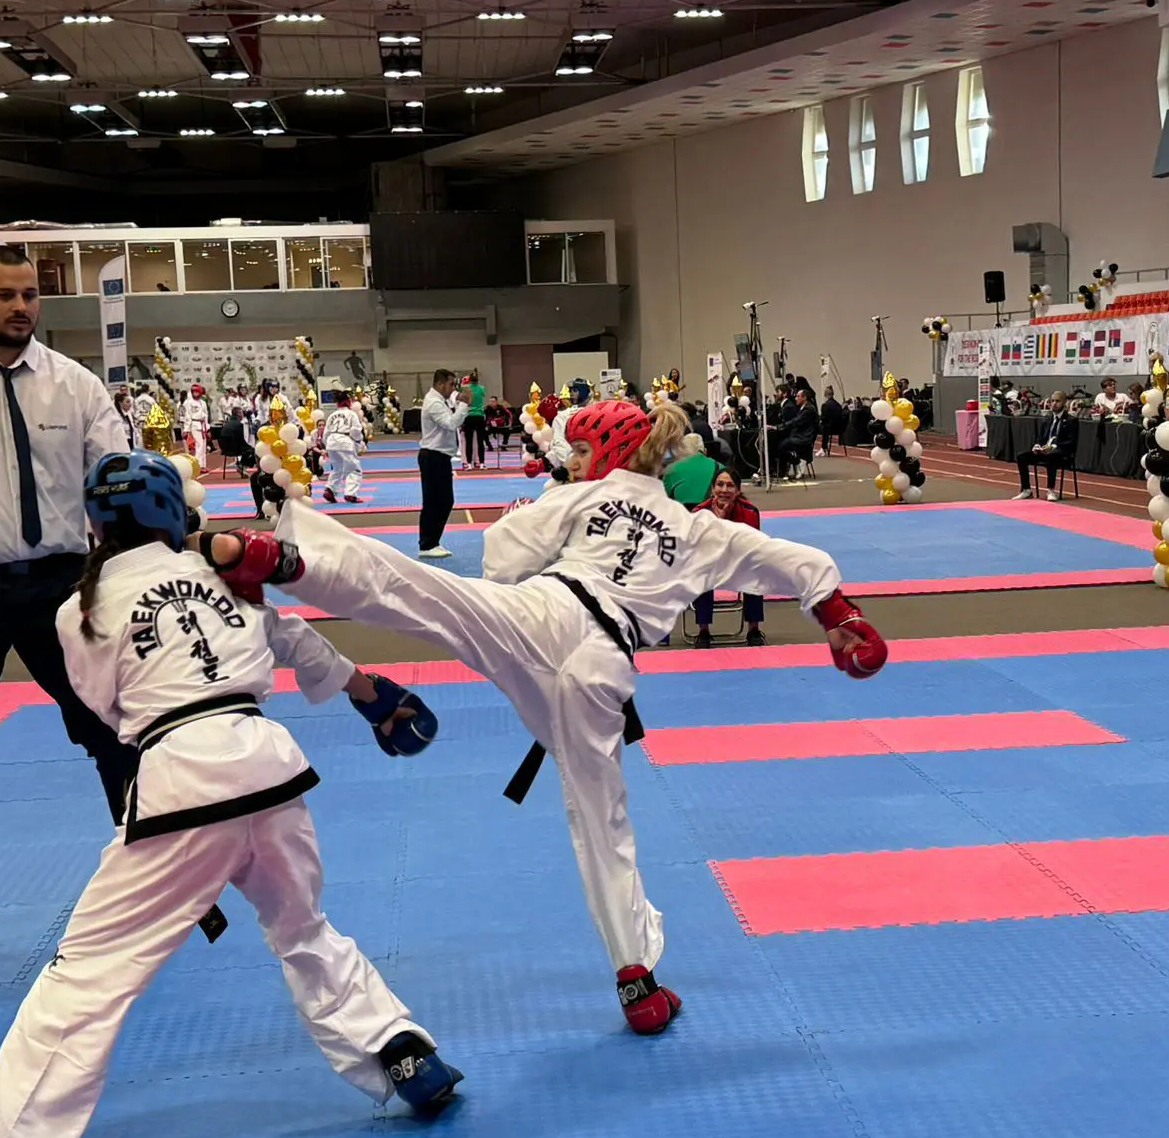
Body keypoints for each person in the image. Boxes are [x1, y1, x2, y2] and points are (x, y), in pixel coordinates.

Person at [0, 452, 462, 1138]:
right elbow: (294, 639)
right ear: (175, 513)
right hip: (272, 772)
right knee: (302, 929)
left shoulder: (79, 610)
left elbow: (106, 711)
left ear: (96, 527)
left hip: (182, 784)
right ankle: (402, 1051)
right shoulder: (222, 571)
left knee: (90, 967)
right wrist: (371, 695)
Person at [263, 400, 889, 1034]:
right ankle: (636, 977)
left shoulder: (586, 496)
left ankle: (292, 557)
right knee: (601, 820)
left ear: (613, 452)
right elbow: (778, 557)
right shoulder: (698, 529)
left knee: (433, 598)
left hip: (546, 614)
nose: (576, 462)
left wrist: (525, 529)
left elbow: (502, 557)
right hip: (603, 665)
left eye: (584, 451)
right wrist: (838, 615)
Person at [0, 244, 216, 970]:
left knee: (114, 732)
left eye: (29, 294)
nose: (20, 306)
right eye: (5, 294)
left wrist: (139, 561)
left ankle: (155, 887)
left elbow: (119, 483)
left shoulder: (75, 385)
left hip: (63, 584)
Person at [691, 469, 767, 648]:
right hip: (709, 564)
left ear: (738, 491)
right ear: (713, 488)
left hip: (739, 563)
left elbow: (752, 548)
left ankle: (754, 630)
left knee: (756, 571)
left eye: (730, 486)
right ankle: (703, 631)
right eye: (720, 485)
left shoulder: (750, 512)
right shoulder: (699, 513)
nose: (724, 490)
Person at [417, 367, 464, 559]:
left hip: (439, 456)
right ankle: (427, 544)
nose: (453, 388)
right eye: (451, 384)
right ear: (440, 384)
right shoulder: (434, 403)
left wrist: (459, 399)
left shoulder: (440, 400)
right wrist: (464, 405)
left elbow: (453, 405)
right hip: (433, 456)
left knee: (443, 501)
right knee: (435, 501)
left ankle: (432, 542)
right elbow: (451, 424)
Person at [1013, 402, 1074, 500]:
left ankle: (1051, 490)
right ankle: (1026, 490)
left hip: (1061, 453)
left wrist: (1053, 446)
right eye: (1052, 401)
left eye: (1057, 401)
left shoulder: (1071, 420)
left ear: (1063, 403)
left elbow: (1071, 441)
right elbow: (1040, 438)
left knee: (1052, 456)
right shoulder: (1047, 419)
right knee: (1021, 457)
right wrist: (1037, 445)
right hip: (1044, 451)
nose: (1054, 404)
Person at [319, 382, 367, 504]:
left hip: (331, 442)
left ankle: (330, 489)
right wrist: (358, 442)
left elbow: (326, 433)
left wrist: (327, 445)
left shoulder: (332, 415)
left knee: (337, 468)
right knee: (354, 469)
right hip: (345, 441)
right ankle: (350, 493)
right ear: (348, 402)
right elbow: (356, 430)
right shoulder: (351, 414)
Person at [459, 367, 489, 470]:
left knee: (469, 441)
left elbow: (459, 388)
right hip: (480, 416)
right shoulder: (482, 388)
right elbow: (483, 394)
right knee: (480, 441)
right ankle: (482, 463)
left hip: (469, 416)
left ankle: (468, 464)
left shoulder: (465, 388)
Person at [179, 383, 211, 468]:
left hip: (203, 425)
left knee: (203, 446)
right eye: (193, 392)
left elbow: (206, 416)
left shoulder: (203, 402)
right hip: (194, 424)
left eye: (196, 392)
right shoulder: (189, 402)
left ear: (200, 392)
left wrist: (208, 428)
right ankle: (197, 465)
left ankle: (203, 465)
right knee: (199, 445)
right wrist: (186, 430)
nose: (195, 394)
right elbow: (188, 416)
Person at [819, 385, 846, 455]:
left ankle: (823, 447)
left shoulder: (825, 405)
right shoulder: (838, 405)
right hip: (840, 429)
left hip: (829, 429)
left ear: (825, 395)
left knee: (822, 426)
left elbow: (823, 418)